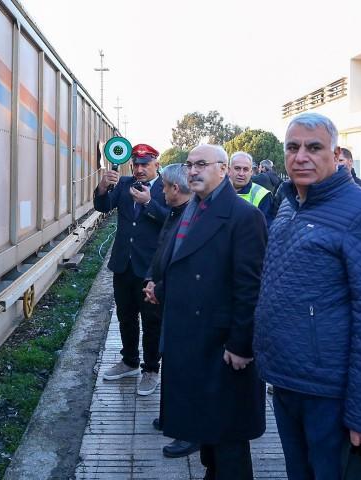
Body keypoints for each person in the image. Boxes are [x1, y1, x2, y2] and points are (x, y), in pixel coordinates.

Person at [254, 112, 361, 479]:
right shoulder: (288, 203)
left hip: (329, 391)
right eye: (293, 147)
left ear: (336, 155)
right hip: (287, 380)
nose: (301, 156)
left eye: (314, 147)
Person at [155, 144, 267, 480]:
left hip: (221, 343)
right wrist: (162, 288)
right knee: (208, 425)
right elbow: (187, 261)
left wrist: (240, 344)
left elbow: (250, 288)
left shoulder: (245, 216)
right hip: (192, 337)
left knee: (228, 432)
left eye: (201, 164)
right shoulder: (194, 207)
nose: (192, 171)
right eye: (189, 165)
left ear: (224, 169)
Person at [94, 143, 169, 396]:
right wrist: (103, 186)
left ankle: (151, 369)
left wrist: (149, 203)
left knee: (151, 321)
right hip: (123, 265)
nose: (139, 169)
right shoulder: (124, 184)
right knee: (125, 316)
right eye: (136, 164)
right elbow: (102, 206)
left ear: (156, 165)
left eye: (144, 164)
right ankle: (129, 361)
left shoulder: (166, 188)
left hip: (150, 269)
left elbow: (172, 219)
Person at [141, 164, 200, 459]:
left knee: (184, 369)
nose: (161, 191)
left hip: (182, 304)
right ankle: (170, 418)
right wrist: (151, 280)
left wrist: (159, 287)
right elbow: (162, 250)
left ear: (176, 189)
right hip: (165, 294)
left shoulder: (192, 216)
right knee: (171, 363)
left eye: (164, 186)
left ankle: (189, 432)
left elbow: (185, 264)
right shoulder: (177, 212)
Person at [229, 151, 273, 222]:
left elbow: (265, 229)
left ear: (251, 172)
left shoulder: (263, 195)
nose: (241, 173)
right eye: (237, 168)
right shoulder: (215, 191)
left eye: (245, 169)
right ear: (229, 170)